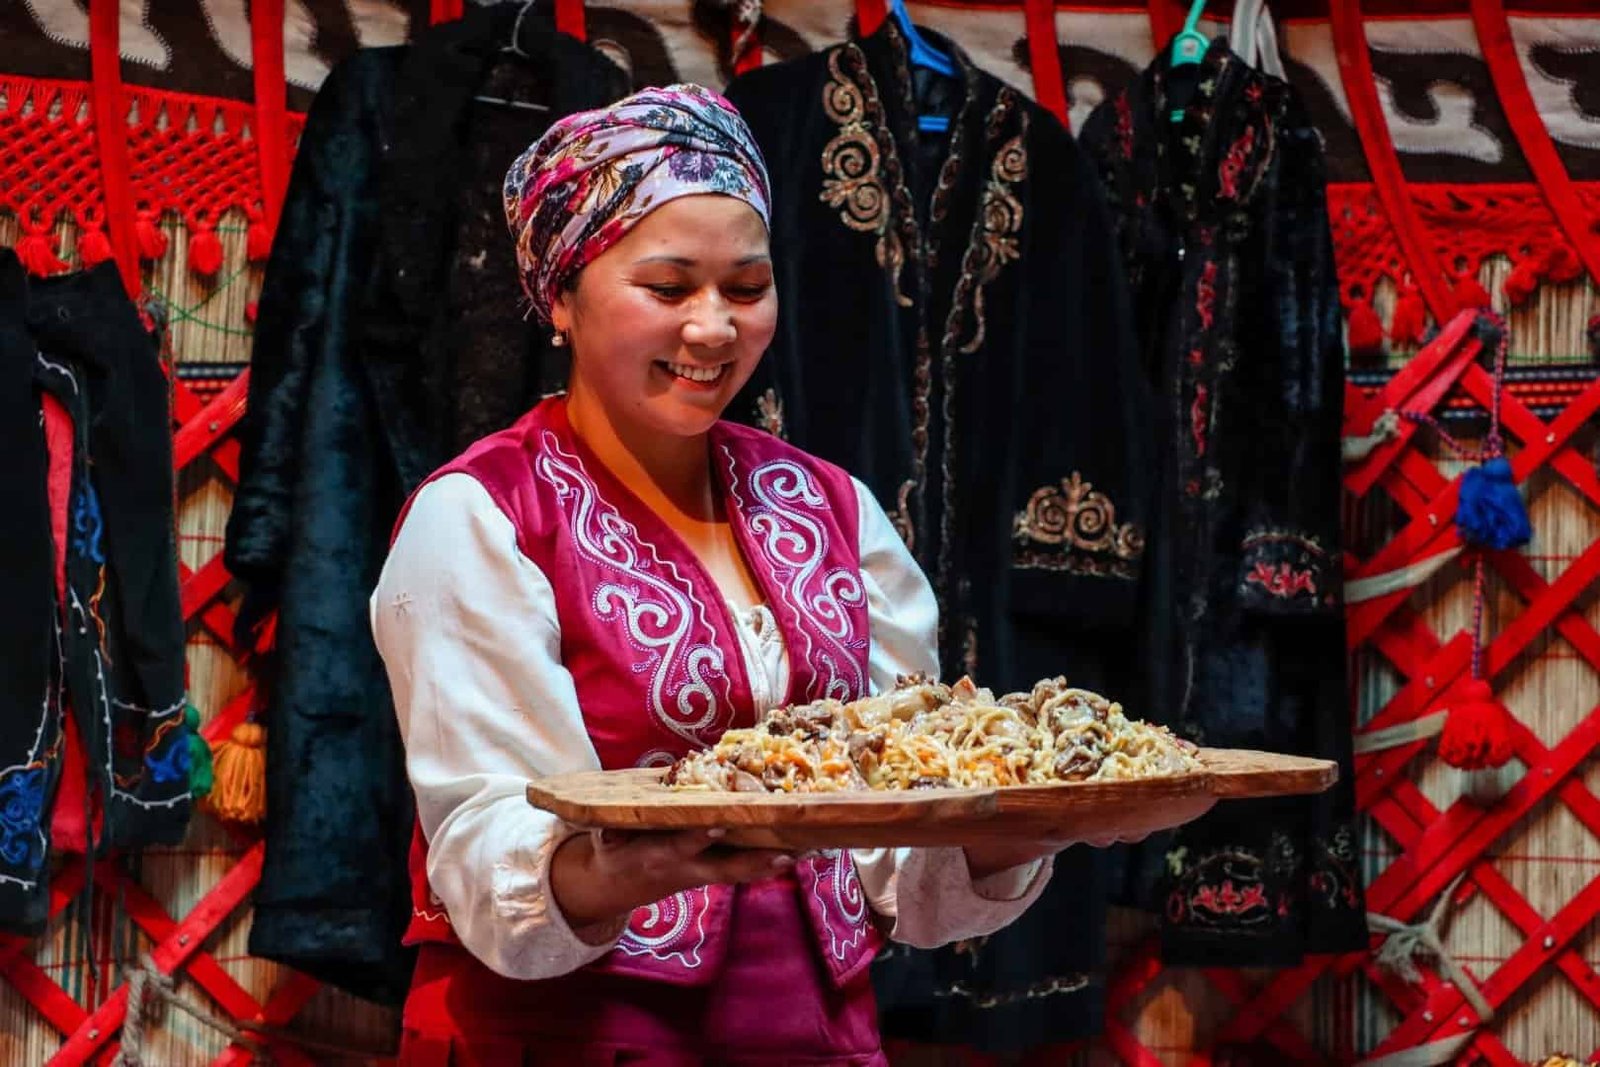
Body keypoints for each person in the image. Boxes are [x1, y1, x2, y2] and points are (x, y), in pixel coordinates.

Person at [371, 84, 1176, 1064]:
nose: (713, 328)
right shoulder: (484, 515)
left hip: (816, 1032)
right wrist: (637, 864)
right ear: (560, 295)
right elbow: (483, 841)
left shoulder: (832, 508)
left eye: (746, 289)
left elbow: (896, 854)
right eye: (668, 288)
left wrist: (1026, 827)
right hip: (567, 1036)